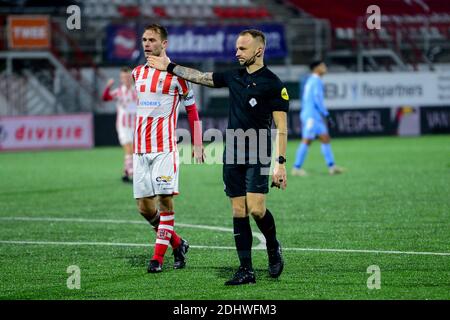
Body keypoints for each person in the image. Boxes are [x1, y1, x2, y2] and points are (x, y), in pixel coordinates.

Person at [149, 29, 288, 285]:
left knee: (257, 209)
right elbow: (201, 77)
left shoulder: (273, 84)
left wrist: (280, 164)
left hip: (258, 149)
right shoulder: (233, 76)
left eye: (242, 49)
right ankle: (246, 270)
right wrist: (171, 67)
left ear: (259, 50)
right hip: (233, 149)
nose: (237, 53)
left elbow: (281, 127)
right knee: (238, 210)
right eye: (236, 48)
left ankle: (272, 245)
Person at [133, 24, 204, 273]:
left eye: (152, 39)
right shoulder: (137, 74)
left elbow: (192, 111)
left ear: (164, 44)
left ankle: (157, 259)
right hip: (140, 151)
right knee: (144, 208)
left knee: (164, 201)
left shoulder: (178, 76)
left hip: (165, 149)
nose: (146, 44)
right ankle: (177, 243)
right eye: (144, 39)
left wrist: (197, 142)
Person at [291, 60, 344, 176]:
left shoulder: (311, 80)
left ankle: (332, 166)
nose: (325, 68)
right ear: (316, 68)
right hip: (311, 116)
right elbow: (316, 99)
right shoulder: (316, 81)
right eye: (322, 66)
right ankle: (296, 168)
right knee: (307, 140)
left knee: (325, 138)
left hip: (314, 115)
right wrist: (326, 113)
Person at [102, 67, 138, 182]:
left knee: (134, 150)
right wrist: (108, 86)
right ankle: (132, 173)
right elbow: (105, 98)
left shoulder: (137, 91)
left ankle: (126, 173)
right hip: (123, 126)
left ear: (131, 78)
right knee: (129, 149)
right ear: (121, 79)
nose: (126, 79)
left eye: (128, 77)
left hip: (135, 125)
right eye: (123, 77)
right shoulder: (119, 92)